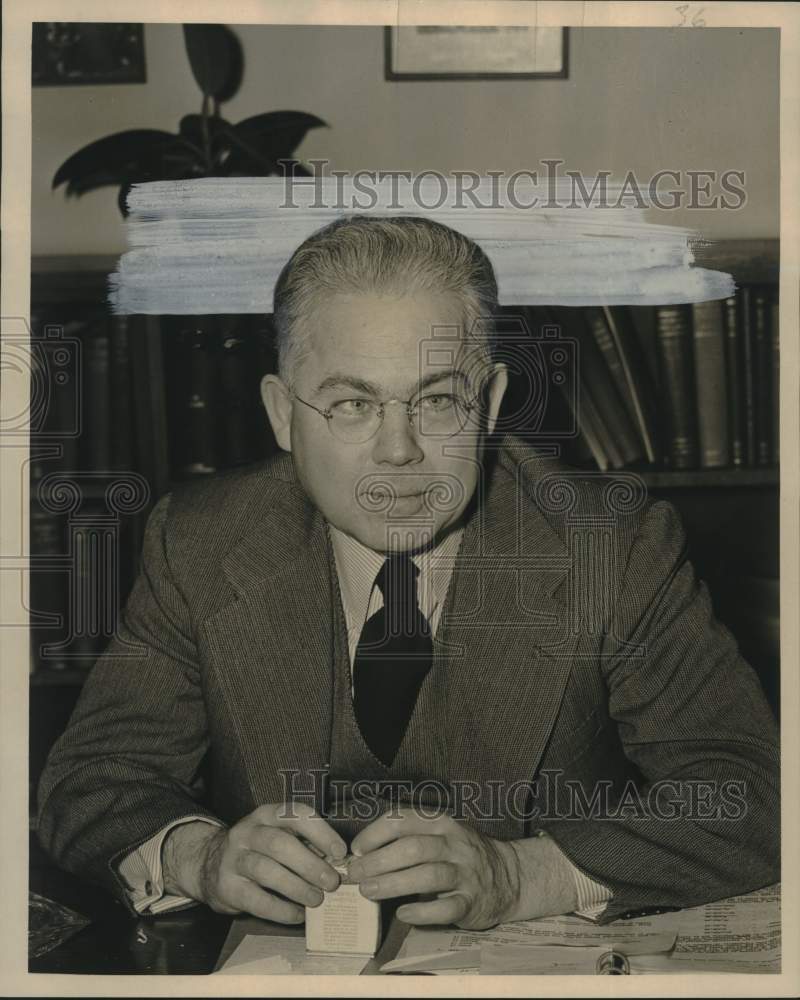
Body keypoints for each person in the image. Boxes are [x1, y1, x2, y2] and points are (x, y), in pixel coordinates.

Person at [37, 215, 780, 932]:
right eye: (352, 404)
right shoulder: (200, 543)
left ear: (489, 404)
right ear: (283, 414)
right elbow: (90, 781)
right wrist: (200, 859)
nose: (399, 451)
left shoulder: (609, 548)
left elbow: (754, 794)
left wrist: (525, 876)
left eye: (438, 401)